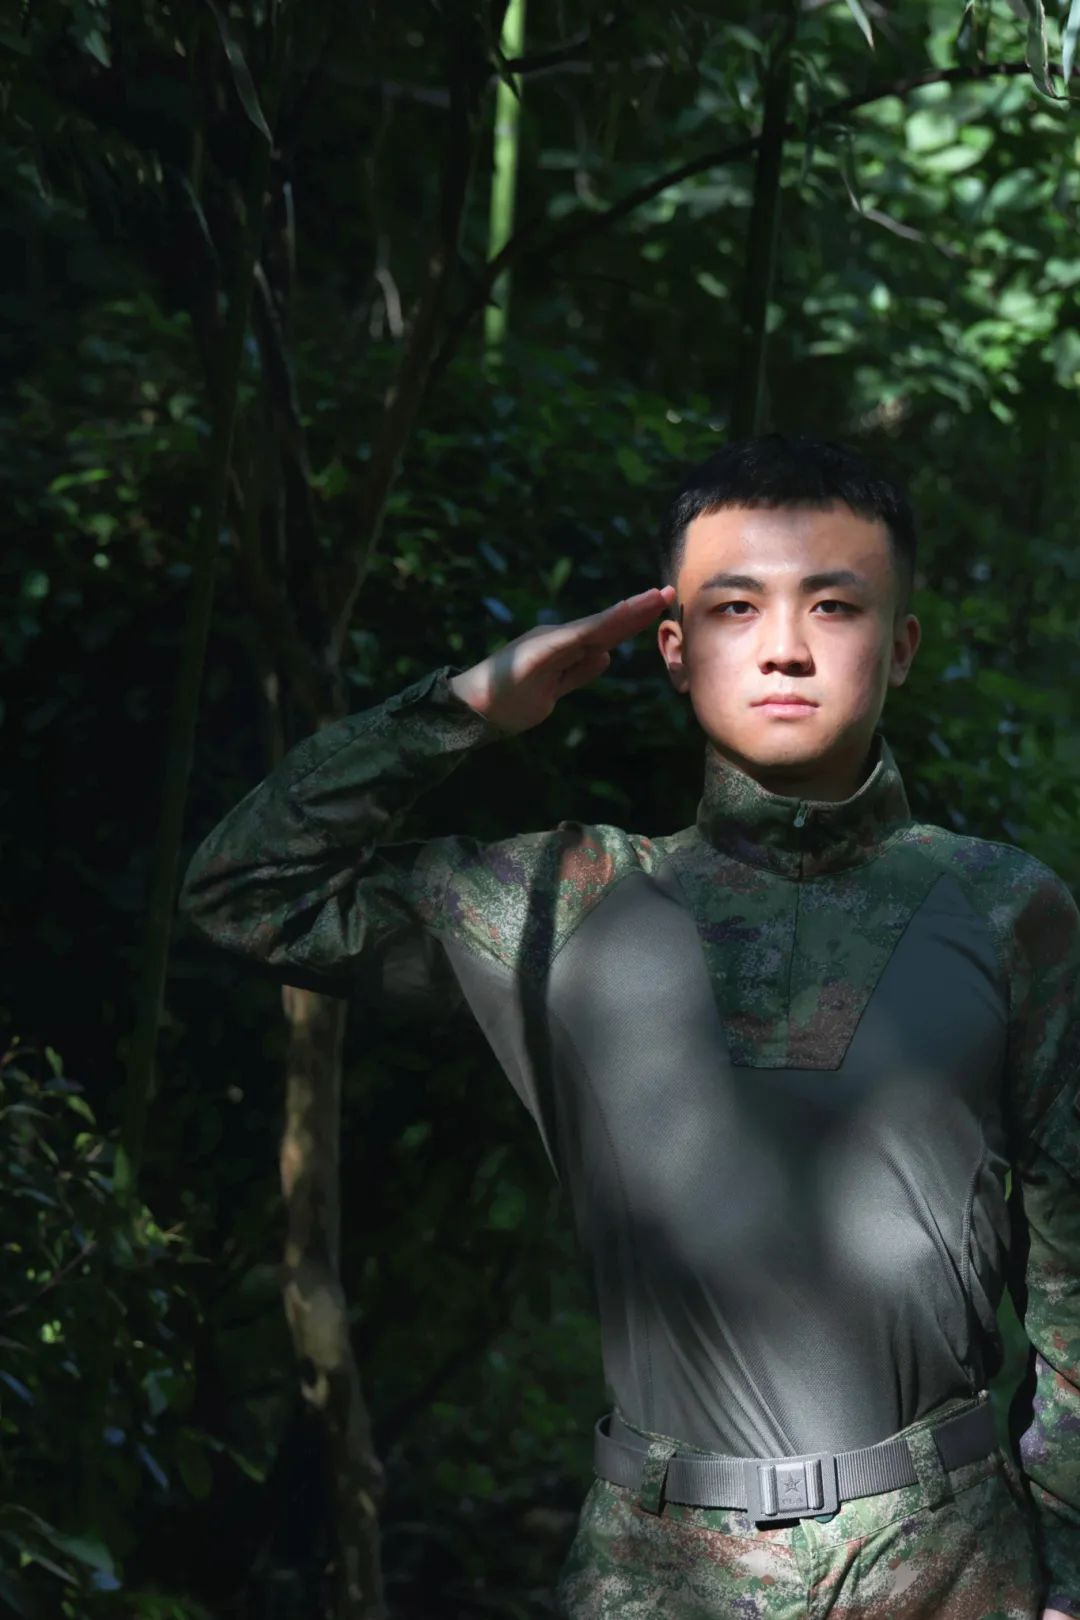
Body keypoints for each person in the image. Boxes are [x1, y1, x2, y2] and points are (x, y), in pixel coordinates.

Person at [179, 432, 1079, 1618]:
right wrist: (461, 710)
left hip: (952, 1565)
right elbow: (247, 893)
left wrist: (1068, 1567)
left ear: (901, 646)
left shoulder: (1005, 909)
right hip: (658, 1575)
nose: (787, 646)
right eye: (735, 608)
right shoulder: (560, 902)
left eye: (836, 605)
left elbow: (1074, 1266)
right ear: (673, 648)